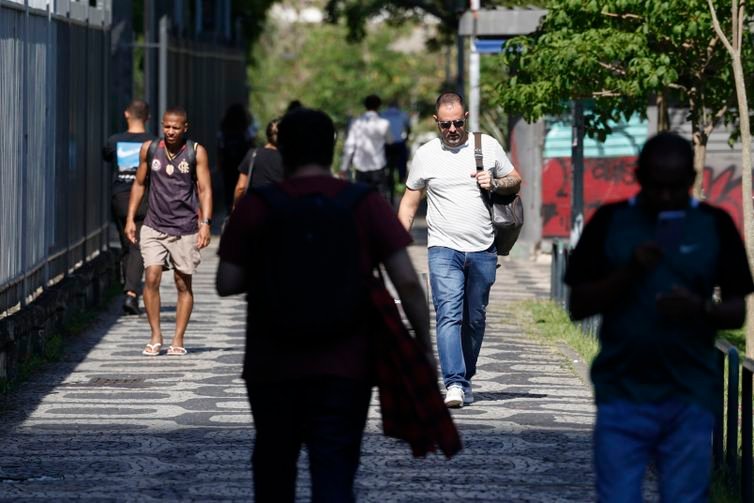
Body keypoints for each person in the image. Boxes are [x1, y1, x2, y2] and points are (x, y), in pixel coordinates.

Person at [216, 108, 435, 502]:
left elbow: (226, 282)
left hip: (271, 365)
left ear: (282, 150)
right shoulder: (361, 202)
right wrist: (424, 343)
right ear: (332, 149)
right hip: (346, 366)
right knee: (335, 472)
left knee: (273, 467)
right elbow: (407, 280)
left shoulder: (258, 206)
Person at [565, 132, 754, 501]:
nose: (666, 196)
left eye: (676, 187)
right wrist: (629, 272)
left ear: (692, 179)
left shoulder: (715, 225)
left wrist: (699, 308)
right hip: (622, 391)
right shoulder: (611, 221)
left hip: (690, 395)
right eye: (656, 186)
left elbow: (736, 312)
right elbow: (578, 305)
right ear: (639, 176)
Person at [397, 91, 522, 408]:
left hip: (482, 248)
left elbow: (515, 181)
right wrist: (394, 245)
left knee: (475, 319)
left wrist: (493, 182)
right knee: (448, 316)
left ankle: (464, 376)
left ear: (465, 118)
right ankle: (453, 382)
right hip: (443, 248)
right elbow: (410, 203)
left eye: (457, 123)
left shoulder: (486, 146)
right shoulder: (426, 155)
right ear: (436, 122)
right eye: (445, 125)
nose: (452, 130)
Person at [125, 107, 213, 357]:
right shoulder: (150, 149)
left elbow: (205, 189)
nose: (171, 131)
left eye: (176, 127)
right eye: (167, 126)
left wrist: (205, 223)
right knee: (151, 276)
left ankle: (178, 338)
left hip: (184, 228)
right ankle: (155, 335)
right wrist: (131, 218)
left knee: (182, 283)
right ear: (162, 126)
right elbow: (139, 184)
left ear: (185, 128)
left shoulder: (196, 152)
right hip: (154, 224)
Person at [102, 99, 155, 315]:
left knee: (128, 245)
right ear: (148, 118)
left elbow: (106, 157)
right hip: (144, 198)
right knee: (137, 246)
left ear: (126, 114)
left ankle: (129, 290)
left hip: (120, 198)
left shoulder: (113, 141)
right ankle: (131, 293)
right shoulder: (154, 142)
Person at [339, 94, 392, 197]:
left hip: (360, 167)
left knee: (361, 200)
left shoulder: (356, 123)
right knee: (379, 199)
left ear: (365, 106)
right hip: (378, 165)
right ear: (379, 106)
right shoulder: (384, 123)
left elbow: (350, 146)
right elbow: (390, 142)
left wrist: (344, 167)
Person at [232, 117, 283, 209]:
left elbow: (241, 188)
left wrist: (235, 208)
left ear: (267, 134)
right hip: (279, 210)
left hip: (255, 211)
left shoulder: (253, 154)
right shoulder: (289, 159)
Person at [218, 104, 255, 214]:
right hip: (242, 162)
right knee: (241, 185)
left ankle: (229, 208)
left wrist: (220, 162)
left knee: (228, 186)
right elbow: (251, 145)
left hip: (227, 162)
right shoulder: (244, 129)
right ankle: (240, 207)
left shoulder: (224, 128)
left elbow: (220, 146)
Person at [381, 99, 411, 203]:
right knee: (402, 165)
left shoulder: (382, 114)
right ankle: (402, 178)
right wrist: (406, 138)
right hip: (399, 144)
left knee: (385, 168)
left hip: (387, 145)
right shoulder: (403, 114)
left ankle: (385, 183)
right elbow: (408, 128)